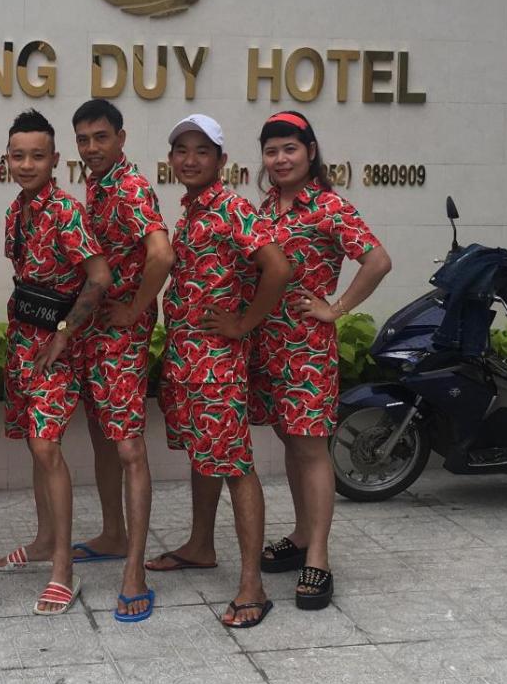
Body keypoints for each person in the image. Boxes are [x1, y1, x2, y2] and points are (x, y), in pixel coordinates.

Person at [145, 114, 292, 629]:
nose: (190, 159)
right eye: (181, 150)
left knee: (235, 466)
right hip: (187, 361)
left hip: (216, 365)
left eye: (202, 151)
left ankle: (252, 585)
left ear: (221, 160)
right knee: (203, 454)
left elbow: (278, 268)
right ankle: (200, 545)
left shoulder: (230, 208)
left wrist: (244, 324)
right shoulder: (191, 211)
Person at [251, 111, 391, 610]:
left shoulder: (329, 207)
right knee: (291, 440)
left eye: (289, 148)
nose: (280, 159)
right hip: (268, 345)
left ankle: (319, 556)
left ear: (310, 152)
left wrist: (337, 308)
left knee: (311, 448)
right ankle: (302, 532)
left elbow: (377, 260)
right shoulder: (266, 207)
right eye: (271, 151)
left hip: (306, 349)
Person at [0, 109, 110, 616]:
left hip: (55, 348)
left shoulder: (65, 211)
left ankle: (63, 567)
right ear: (6, 159)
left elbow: (99, 277)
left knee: (46, 447)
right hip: (23, 341)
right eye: (18, 156)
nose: (26, 164)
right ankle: (43, 541)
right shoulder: (15, 211)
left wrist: (64, 335)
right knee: (34, 448)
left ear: (55, 159)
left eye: (37, 156)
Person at [69, 99, 172, 623]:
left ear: (121, 138)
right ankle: (113, 532)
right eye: (83, 139)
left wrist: (134, 309)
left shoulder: (130, 187)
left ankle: (135, 571)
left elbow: (162, 254)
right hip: (95, 332)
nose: (91, 148)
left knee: (129, 447)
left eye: (100, 137)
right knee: (102, 435)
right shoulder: (97, 186)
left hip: (121, 337)